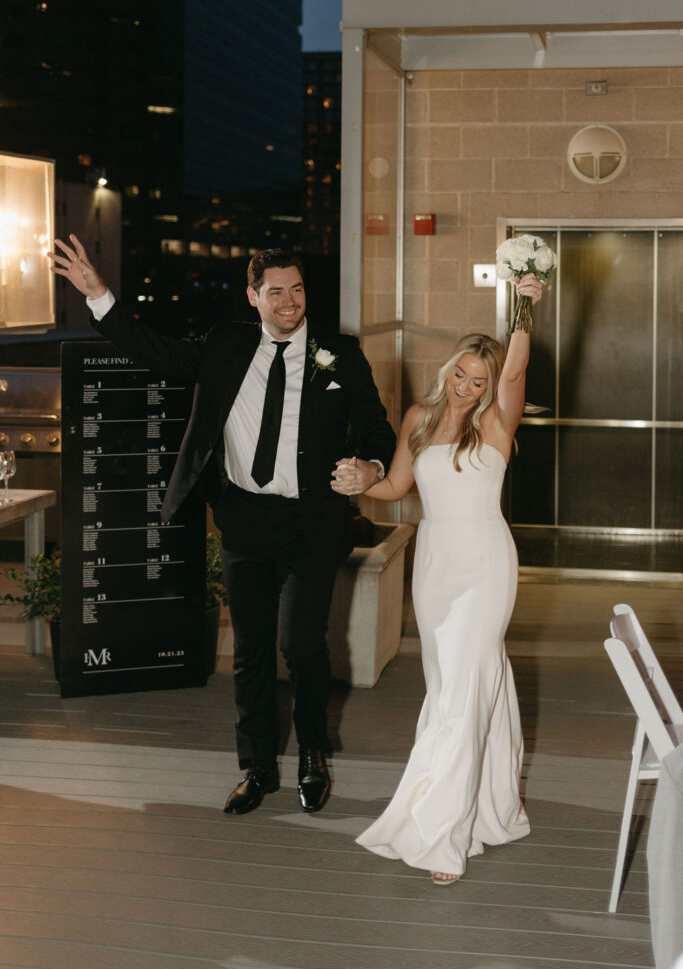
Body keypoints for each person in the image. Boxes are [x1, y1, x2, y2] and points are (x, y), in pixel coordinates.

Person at [49, 235, 396, 815]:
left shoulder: (341, 354)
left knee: (302, 645)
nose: (290, 303)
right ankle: (257, 766)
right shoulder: (226, 346)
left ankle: (313, 753)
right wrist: (100, 296)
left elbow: (378, 430)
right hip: (243, 521)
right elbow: (156, 352)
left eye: (298, 290)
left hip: (311, 524)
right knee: (252, 651)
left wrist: (371, 466)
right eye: (276, 292)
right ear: (253, 296)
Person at [331, 273, 542, 884]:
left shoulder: (499, 423)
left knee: (462, 691)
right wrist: (360, 482)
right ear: (448, 368)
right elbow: (396, 488)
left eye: (481, 380)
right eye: (462, 375)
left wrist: (525, 307)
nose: (469, 387)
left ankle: (445, 831)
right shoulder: (420, 419)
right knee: (458, 683)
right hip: (435, 566)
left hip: (485, 565)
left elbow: (516, 370)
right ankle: (492, 808)